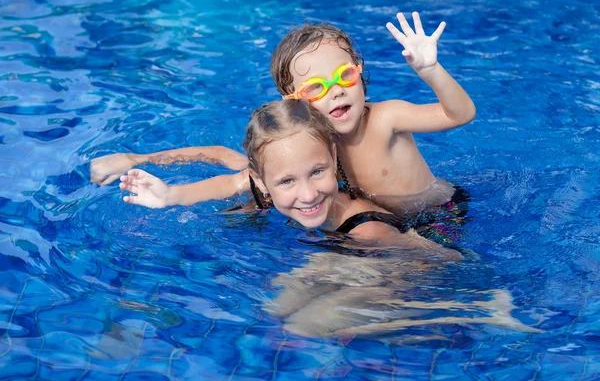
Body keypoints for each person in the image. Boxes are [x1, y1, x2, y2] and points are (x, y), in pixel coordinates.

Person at [119, 99, 539, 338]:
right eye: (286, 181)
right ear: (260, 182)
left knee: (307, 326)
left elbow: (443, 259)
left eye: (318, 172)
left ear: (333, 159)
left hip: (393, 256)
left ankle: (477, 311)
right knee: (274, 309)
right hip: (343, 251)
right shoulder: (263, 183)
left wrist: (417, 283)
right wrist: (168, 194)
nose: (307, 193)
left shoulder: (370, 228)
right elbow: (219, 160)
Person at [91, 12, 475, 218]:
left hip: (442, 213)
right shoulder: (307, 142)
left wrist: (430, 71)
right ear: (295, 101)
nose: (336, 90)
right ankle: (135, 158)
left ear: (360, 71)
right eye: (315, 88)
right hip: (381, 218)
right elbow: (240, 179)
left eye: (345, 75)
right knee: (250, 194)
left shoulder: (386, 118)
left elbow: (459, 114)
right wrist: (173, 195)